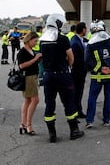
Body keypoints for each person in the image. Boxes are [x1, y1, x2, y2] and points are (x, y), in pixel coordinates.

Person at [40, 14, 84, 142]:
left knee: (49, 104)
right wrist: (68, 66)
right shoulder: (63, 39)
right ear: (57, 24)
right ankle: (74, 131)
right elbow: (71, 57)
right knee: (69, 103)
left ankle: (52, 134)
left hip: (48, 76)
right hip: (63, 75)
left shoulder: (43, 40)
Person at [85, 20, 110, 128]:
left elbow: (87, 60)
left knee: (92, 97)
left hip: (97, 75)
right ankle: (106, 120)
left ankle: (90, 121)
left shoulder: (91, 43)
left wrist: (100, 68)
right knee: (108, 97)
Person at [17, 32, 42, 136]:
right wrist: (35, 59)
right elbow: (21, 66)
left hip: (32, 76)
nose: (36, 43)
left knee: (28, 100)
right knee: (35, 100)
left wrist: (37, 59)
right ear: (29, 40)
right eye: (35, 41)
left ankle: (23, 124)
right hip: (28, 77)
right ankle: (28, 125)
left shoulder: (30, 50)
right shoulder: (22, 52)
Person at [70, 22, 88, 118]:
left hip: (80, 71)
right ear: (83, 30)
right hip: (77, 72)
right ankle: (75, 111)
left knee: (78, 92)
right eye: (86, 29)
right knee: (76, 92)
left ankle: (78, 110)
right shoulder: (75, 42)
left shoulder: (79, 40)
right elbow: (75, 59)